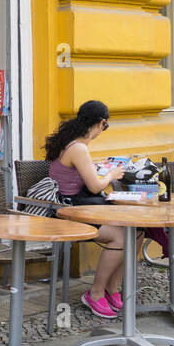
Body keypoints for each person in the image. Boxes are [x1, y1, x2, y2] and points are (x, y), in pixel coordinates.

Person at [45, 100, 126, 319]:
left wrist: (97, 164)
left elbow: (74, 170)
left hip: (77, 206)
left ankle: (112, 289)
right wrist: (111, 174)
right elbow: (95, 186)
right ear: (101, 123)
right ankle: (96, 293)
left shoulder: (73, 143)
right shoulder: (79, 147)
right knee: (122, 237)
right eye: (105, 127)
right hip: (69, 211)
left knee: (136, 231)